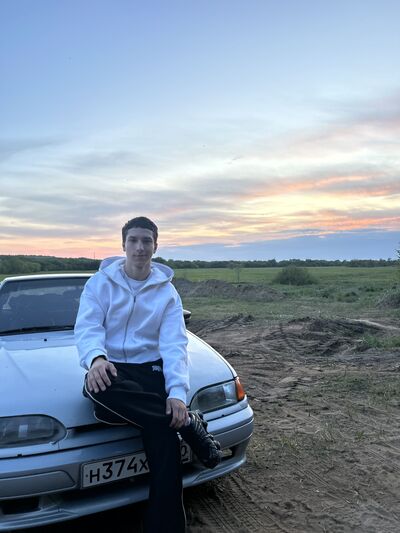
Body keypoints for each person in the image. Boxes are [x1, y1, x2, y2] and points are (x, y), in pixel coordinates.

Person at [74, 216, 221, 533]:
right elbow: (88, 327)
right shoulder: (99, 284)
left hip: (151, 369)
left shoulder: (167, 293)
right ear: (123, 244)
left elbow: (175, 345)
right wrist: (96, 359)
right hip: (113, 368)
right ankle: (189, 425)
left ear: (155, 246)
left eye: (146, 241)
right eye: (133, 240)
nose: (139, 247)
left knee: (165, 442)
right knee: (96, 386)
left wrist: (177, 395)